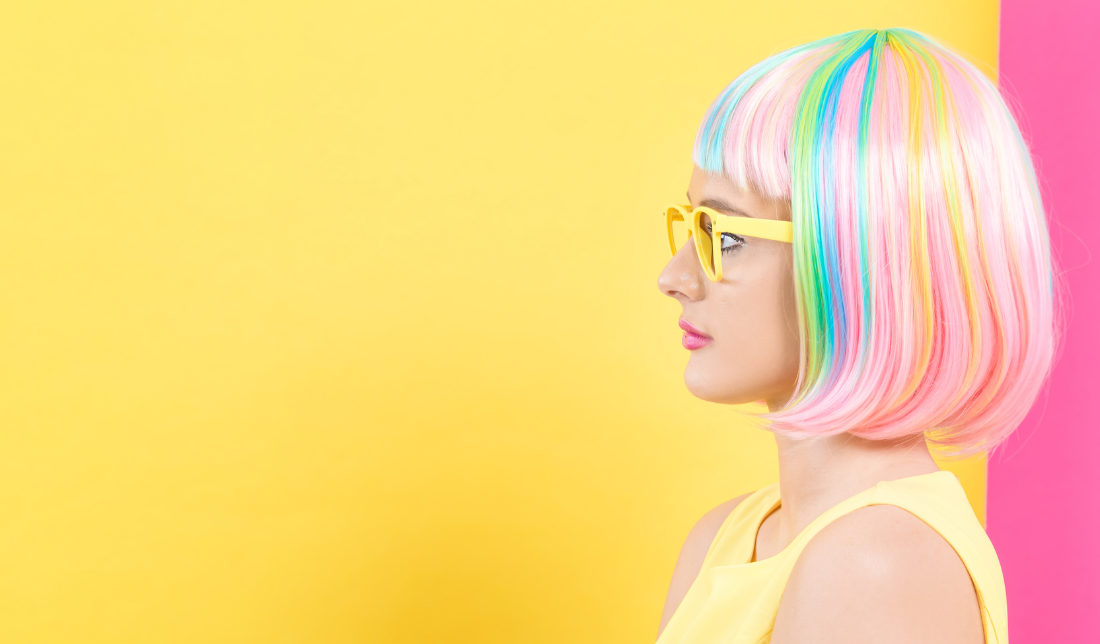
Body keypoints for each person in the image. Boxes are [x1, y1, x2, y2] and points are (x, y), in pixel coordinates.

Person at [654, 28, 1054, 644]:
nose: (674, 278)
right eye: (691, 227)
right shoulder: (723, 538)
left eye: (724, 236)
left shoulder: (878, 565)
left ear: (858, 266)